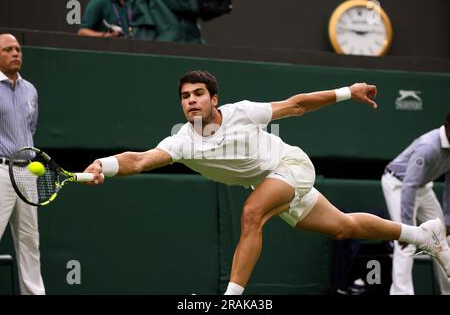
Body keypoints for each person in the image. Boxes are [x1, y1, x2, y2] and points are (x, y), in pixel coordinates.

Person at [83, 70, 450, 295]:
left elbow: (296, 105)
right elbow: (142, 160)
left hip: (290, 165)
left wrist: (346, 92)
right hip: (270, 181)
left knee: (252, 212)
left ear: (214, 99)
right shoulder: (181, 141)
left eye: (198, 94)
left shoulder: (242, 112)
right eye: (185, 97)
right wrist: (106, 164)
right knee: (343, 227)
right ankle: (423, 235)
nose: (191, 101)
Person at [382, 114, 450, 295]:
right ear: (447, 127)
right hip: (398, 185)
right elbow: (409, 185)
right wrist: (407, 227)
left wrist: (448, 219)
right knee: (406, 242)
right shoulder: (428, 147)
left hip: (423, 187)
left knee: (443, 238)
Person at [0, 34, 45, 295]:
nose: (16, 53)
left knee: (30, 241)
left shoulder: (30, 90)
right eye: (8, 49)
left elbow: (31, 128)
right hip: (1, 171)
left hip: (28, 172)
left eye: (18, 49)